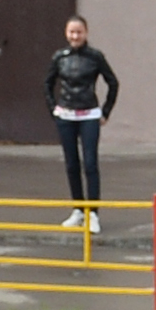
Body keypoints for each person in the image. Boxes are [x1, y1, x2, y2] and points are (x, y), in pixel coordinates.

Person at [48, 17, 117, 232]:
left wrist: (105, 112)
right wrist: (54, 109)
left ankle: (93, 214)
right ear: (66, 33)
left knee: (90, 164)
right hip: (66, 115)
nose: (75, 36)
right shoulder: (60, 57)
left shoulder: (95, 57)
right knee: (71, 164)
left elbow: (113, 82)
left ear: (86, 33)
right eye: (71, 32)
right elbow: (47, 83)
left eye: (79, 32)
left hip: (89, 115)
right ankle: (78, 209)